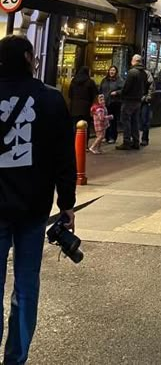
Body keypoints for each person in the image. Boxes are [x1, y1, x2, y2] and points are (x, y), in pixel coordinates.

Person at [0, 35, 76, 363]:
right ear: (31, 58)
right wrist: (67, 204)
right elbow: (64, 157)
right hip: (33, 208)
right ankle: (16, 358)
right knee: (26, 284)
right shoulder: (50, 99)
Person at [116, 54, 147, 151]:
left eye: (132, 60)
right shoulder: (144, 73)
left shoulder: (132, 72)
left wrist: (118, 93)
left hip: (129, 100)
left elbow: (127, 87)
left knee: (126, 121)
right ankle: (136, 141)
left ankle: (127, 142)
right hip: (138, 100)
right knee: (135, 121)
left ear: (134, 61)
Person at [68, 66, 97, 140]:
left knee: (75, 125)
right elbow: (94, 94)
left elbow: (70, 94)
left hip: (74, 107)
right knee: (85, 126)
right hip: (86, 107)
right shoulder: (90, 82)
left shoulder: (73, 81)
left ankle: (74, 142)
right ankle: (84, 144)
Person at [99, 65, 123, 144]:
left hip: (114, 103)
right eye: (110, 70)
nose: (111, 72)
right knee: (105, 120)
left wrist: (116, 92)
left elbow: (123, 90)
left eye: (113, 70)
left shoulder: (119, 80)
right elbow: (100, 89)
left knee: (112, 120)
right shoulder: (104, 80)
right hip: (105, 103)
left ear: (116, 72)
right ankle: (106, 136)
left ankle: (112, 137)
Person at [140, 66, 155, 147]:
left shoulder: (146, 74)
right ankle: (135, 138)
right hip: (135, 100)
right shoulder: (133, 73)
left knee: (145, 120)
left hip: (145, 101)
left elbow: (151, 87)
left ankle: (144, 139)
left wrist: (147, 98)